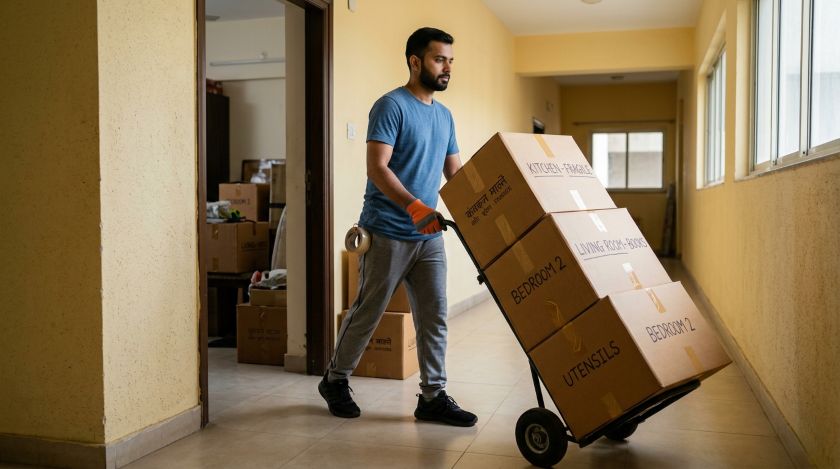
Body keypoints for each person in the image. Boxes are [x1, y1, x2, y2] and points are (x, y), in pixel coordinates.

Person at [318, 27, 477, 427]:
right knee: (368, 311)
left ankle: (433, 397)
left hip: (428, 235)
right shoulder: (391, 106)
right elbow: (377, 167)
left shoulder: (444, 116)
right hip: (388, 230)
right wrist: (415, 207)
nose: (447, 69)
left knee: (434, 314)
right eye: (440, 59)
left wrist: (483, 206)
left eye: (450, 61)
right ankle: (335, 380)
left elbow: (454, 172)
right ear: (415, 61)